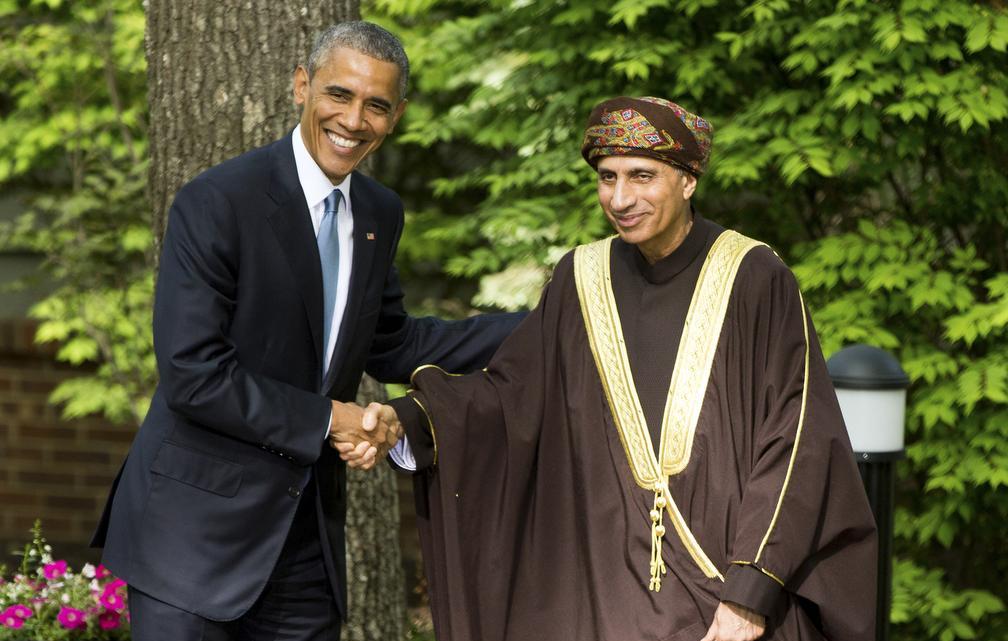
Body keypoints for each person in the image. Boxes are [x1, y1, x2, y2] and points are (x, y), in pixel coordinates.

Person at [345, 96, 879, 641]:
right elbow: (511, 398)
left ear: (688, 179)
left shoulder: (754, 277)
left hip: (726, 596)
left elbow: (797, 442)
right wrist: (408, 422)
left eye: (642, 176)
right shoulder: (582, 277)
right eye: (607, 178)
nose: (621, 199)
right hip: (602, 594)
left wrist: (750, 593)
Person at [90, 21, 521, 641]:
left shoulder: (379, 213)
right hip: (192, 541)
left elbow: (395, 342)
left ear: (395, 116)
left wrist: (551, 321)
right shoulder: (217, 201)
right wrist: (329, 420)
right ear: (302, 86)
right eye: (338, 95)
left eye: (376, 105)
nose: (353, 119)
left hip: (305, 547)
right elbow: (193, 374)